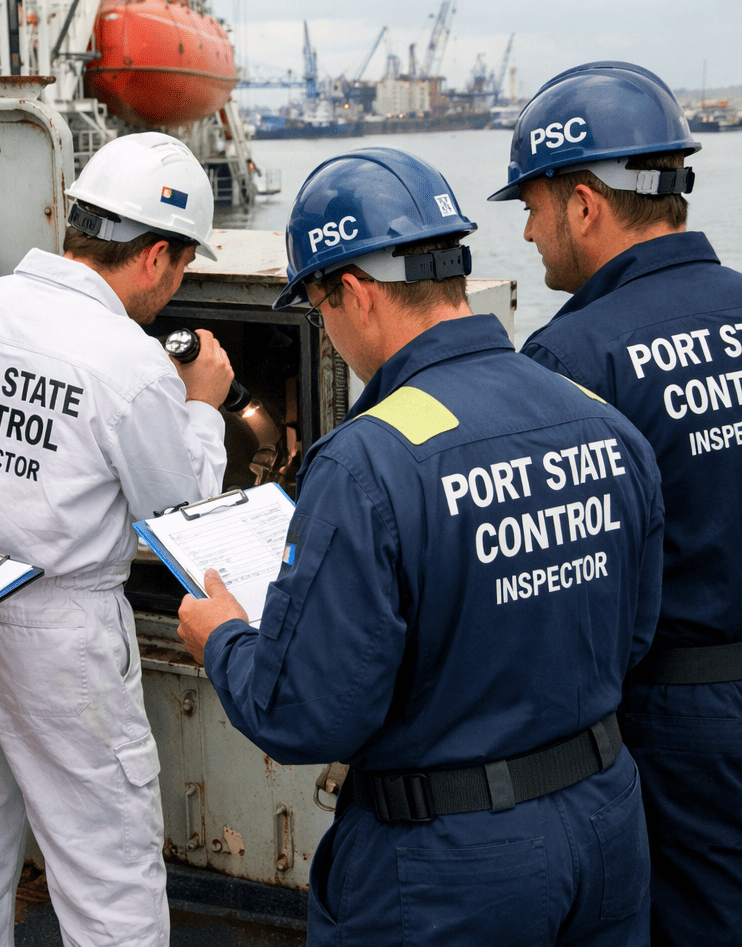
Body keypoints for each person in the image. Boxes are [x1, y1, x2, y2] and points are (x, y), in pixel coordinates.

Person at [177, 147, 666, 946]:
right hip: (607, 824)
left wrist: (225, 638)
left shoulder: (368, 461)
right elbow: (633, 635)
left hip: (450, 866)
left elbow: (306, 712)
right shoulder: (597, 417)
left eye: (322, 310)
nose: (328, 334)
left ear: (356, 295)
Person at [0, 131, 232, 947]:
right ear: (156, 255)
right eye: (184, 263)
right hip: (62, 639)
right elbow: (179, 519)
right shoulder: (130, 360)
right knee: (106, 873)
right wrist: (202, 406)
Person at [489, 60, 742, 947]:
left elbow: (565, 583)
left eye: (531, 205)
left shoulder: (574, 357)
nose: (527, 233)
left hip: (677, 722)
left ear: (585, 203)